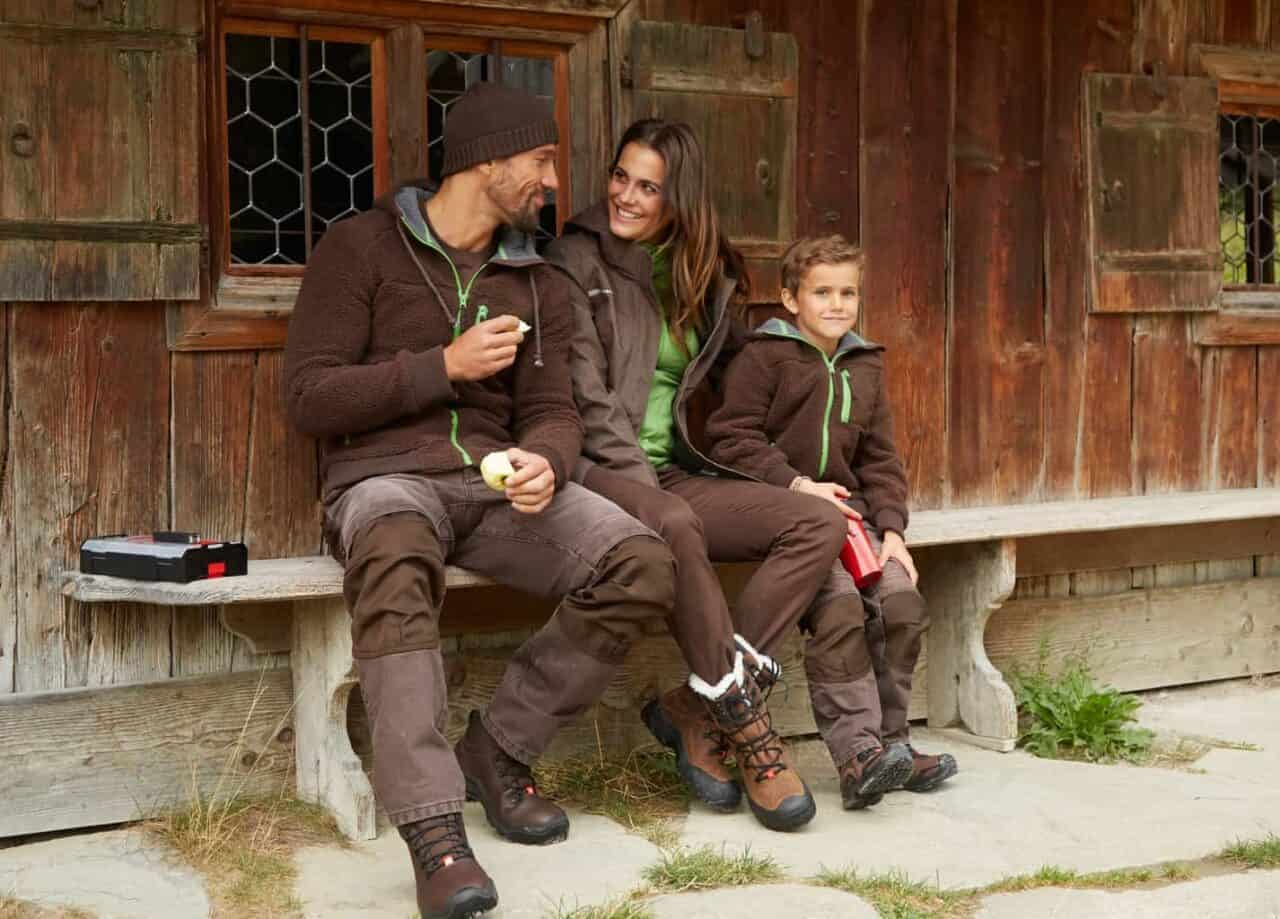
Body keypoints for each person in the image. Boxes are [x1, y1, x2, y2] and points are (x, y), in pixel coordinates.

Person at [284, 84, 676, 919]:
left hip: (496, 488)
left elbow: (554, 412)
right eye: (538, 161)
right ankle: (433, 830)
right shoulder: (360, 249)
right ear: (487, 159)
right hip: (386, 479)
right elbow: (310, 397)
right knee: (392, 548)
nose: (549, 180)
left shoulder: (535, 277)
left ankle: (497, 748)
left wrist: (547, 460)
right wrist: (442, 367)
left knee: (641, 558)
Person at [547, 119, 850, 833]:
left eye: (647, 186)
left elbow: (755, 376)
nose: (625, 195)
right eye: (621, 176)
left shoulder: (705, 273)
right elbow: (588, 396)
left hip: (674, 469)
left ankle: (694, 704)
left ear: (677, 197)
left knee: (818, 522)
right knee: (676, 522)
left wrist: (810, 462)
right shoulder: (575, 260)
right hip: (598, 470)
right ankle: (748, 731)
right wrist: (646, 493)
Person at [704, 233, 958, 811]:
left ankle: (893, 746)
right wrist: (795, 485)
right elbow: (731, 438)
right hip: (792, 518)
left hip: (858, 523)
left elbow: (880, 458)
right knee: (840, 611)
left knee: (901, 604)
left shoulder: (865, 366)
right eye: (822, 292)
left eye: (848, 293)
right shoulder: (764, 358)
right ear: (791, 300)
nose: (837, 304)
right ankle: (857, 757)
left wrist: (893, 532)